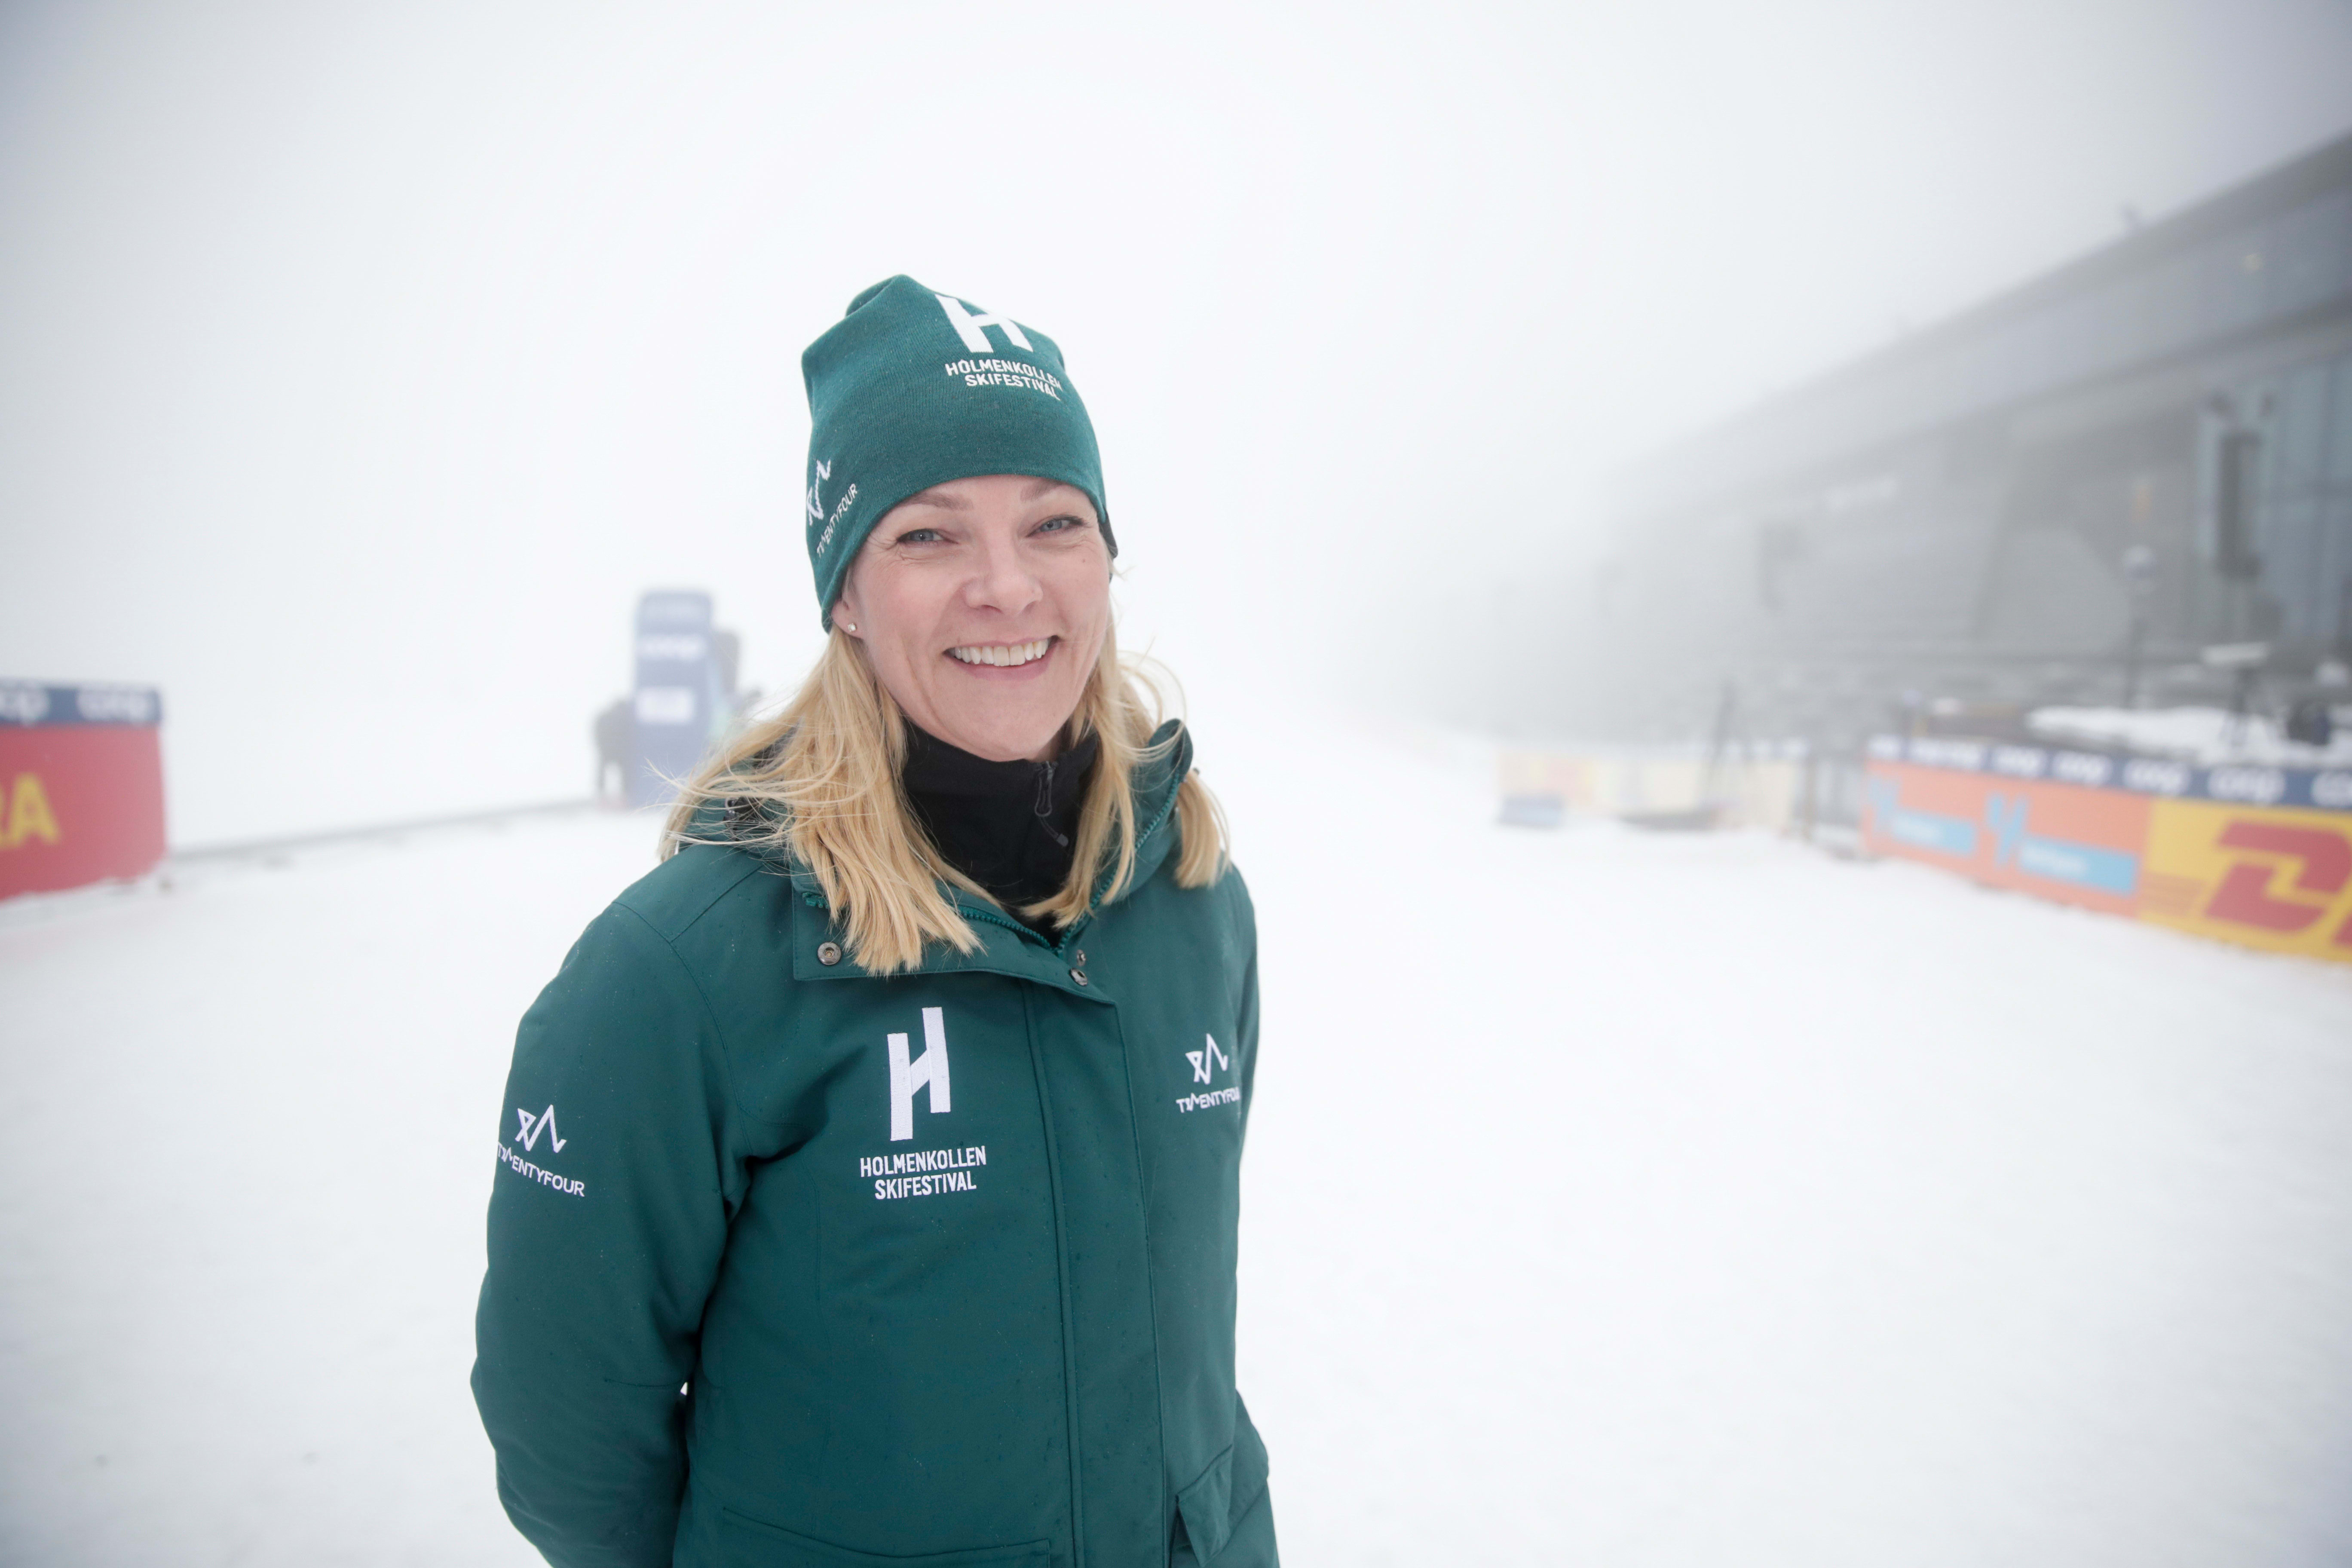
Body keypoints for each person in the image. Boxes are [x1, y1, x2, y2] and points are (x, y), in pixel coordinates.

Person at [474, 276, 1275, 1568]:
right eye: (929, 535)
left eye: (1055, 523)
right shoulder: (684, 969)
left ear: (1106, 560)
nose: (1007, 587)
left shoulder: (1190, 901)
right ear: (844, 591)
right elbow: (571, 1438)